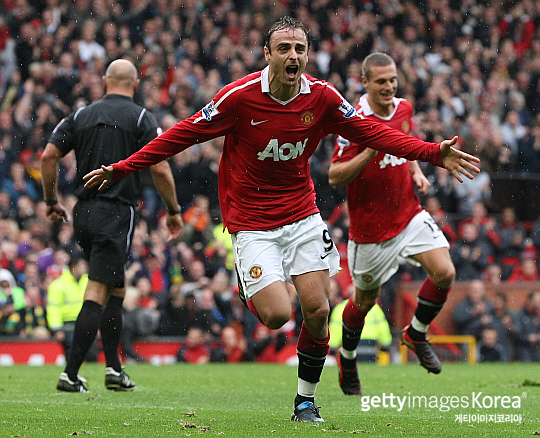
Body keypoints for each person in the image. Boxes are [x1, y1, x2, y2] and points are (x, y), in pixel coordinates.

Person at [83, 18, 479, 422]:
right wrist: (124, 167)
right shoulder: (239, 98)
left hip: (302, 213)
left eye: (300, 49)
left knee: (319, 309)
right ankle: (248, 284)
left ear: (307, 55)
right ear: (268, 54)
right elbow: (183, 133)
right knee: (275, 317)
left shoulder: (323, 98)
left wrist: (431, 153)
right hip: (252, 220)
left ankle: (305, 402)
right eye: (285, 48)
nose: (293, 55)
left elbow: (373, 133)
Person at [40, 59, 183, 393]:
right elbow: (160, 169)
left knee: (115, 289)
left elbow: (48, 156)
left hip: (83, 212)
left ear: (105, 81)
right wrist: (173, 209)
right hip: (116, 212)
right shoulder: (141, 118)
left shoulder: (80, 115)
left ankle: (114, 369)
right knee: (99, 289)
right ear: (134, 85)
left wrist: (50, 201)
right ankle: (70, 374)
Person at [327, 53, 458, 396]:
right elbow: (334, 176)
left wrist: (415, 170)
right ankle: (349, 359)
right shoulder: (352, 121)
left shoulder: (404, 109)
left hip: (408, 214)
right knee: (364, 302)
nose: (388, 87)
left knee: (444, 272)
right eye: (380, 81)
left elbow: (406, 141)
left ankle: (415, 333)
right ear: (365, 82)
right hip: (370, 232)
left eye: (392, 80)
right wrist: (371, 148)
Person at [46, 255, 96, 360]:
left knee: (92, 354)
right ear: (73, 267)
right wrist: (57, 329)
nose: (85, 268)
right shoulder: (58, 285)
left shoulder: (88, 282)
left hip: (86, 322)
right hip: (68, 324)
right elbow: (53, 309)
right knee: (72, 353)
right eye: (82, 265)